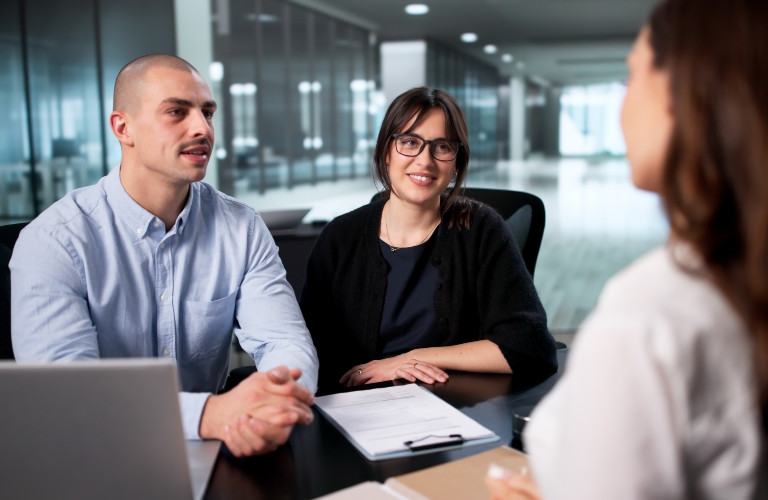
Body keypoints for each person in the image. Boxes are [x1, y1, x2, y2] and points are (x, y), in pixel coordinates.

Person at [485, 0, 768, 498]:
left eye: (633, 77)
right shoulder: (736, 281)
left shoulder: (648, 316)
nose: (623, 104)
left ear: (686, 95)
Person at [10, 55, 319, 458]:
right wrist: (209, 413)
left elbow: (286, 342)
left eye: (208, 112)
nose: (202, 128)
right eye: (177, 111)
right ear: (123, 128)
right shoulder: (55, 240)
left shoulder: (240, 227)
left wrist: (276, 402)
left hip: (217, 447)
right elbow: (67, 396)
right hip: (97, 453)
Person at [300, 87, 557, 393]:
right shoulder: (339, 238)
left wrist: (412, 359)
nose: (425, 161)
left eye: (442, 147)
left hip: (452, 407)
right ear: (385, 151)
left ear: (456, 161)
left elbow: (530, 345)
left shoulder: (482, 230)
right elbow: (307, 348)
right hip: (354, 408)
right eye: (410, 142)